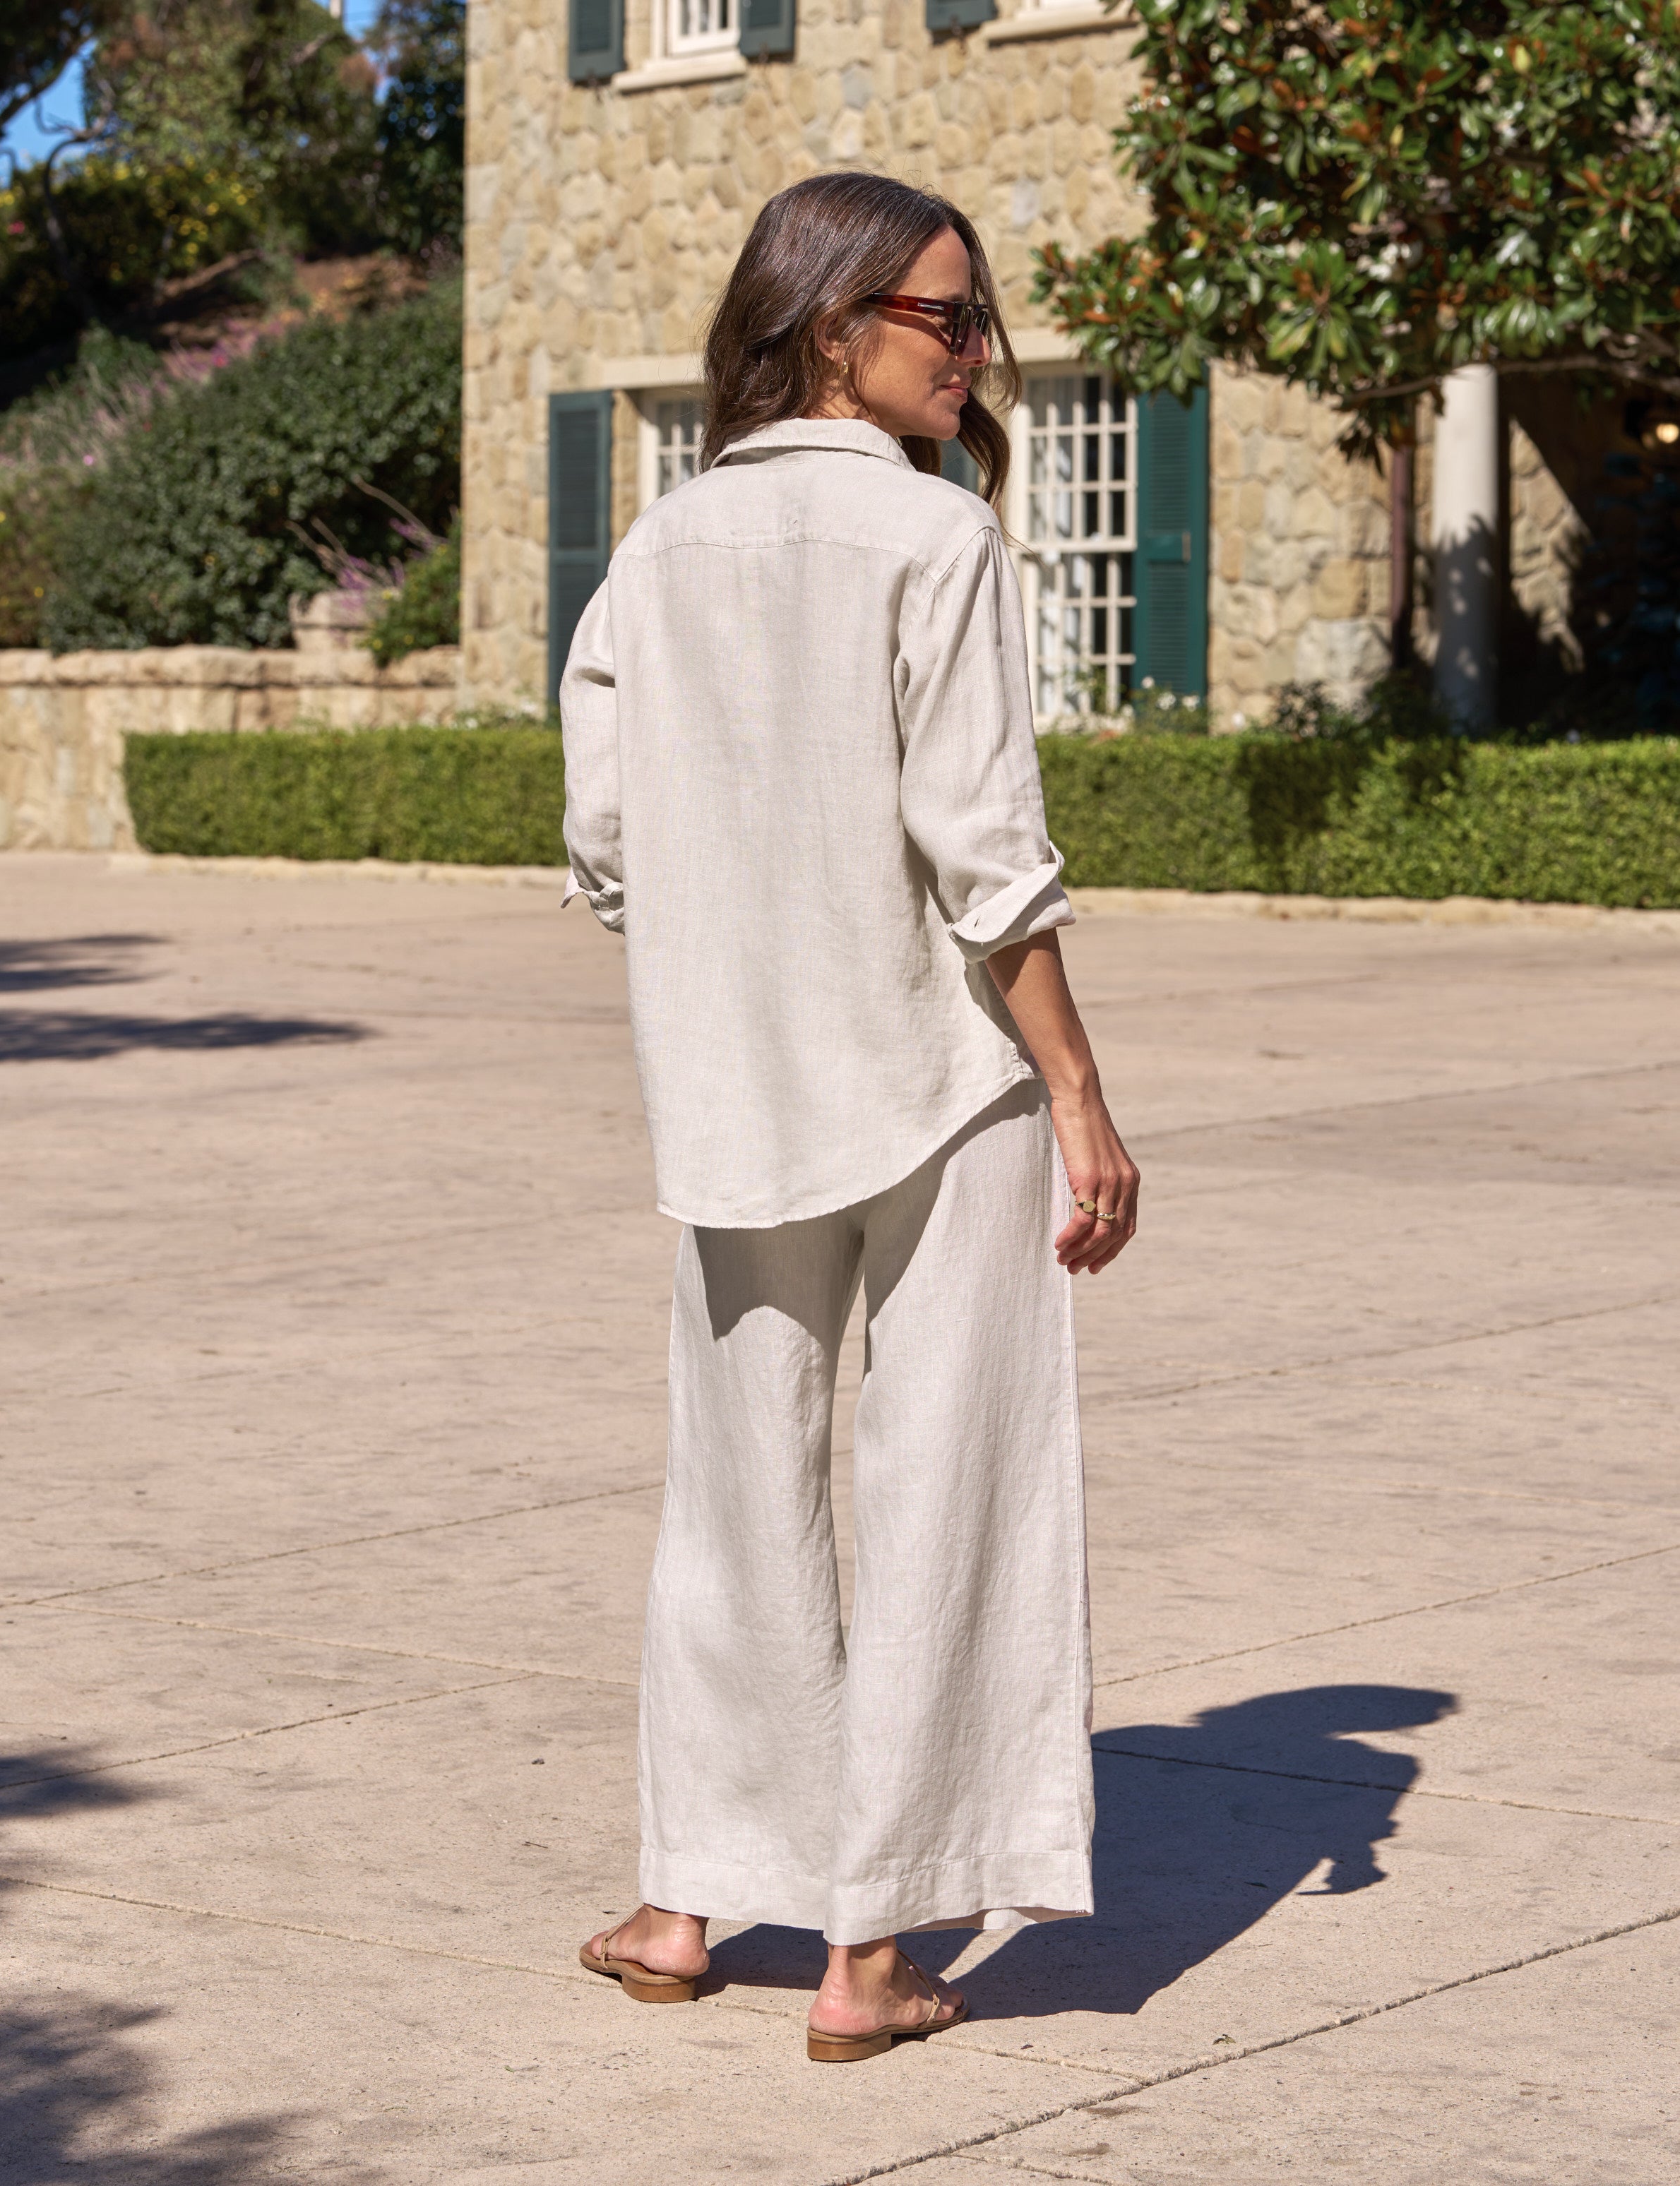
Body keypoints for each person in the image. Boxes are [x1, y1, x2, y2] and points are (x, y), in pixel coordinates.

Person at [562, 172, 1138, 2064]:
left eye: (979, 321)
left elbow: (606, 842)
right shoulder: (929, 540)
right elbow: (982, 857)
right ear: (831, 323)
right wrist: (1077, 1091)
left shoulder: (656, 547)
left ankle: (682, 1898)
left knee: (735, 1495)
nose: (976, 355)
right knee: (950, 1490)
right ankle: (871, 1950)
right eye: (942, 319)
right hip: (937, 1084)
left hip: (732, 1087)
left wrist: (738, 954)